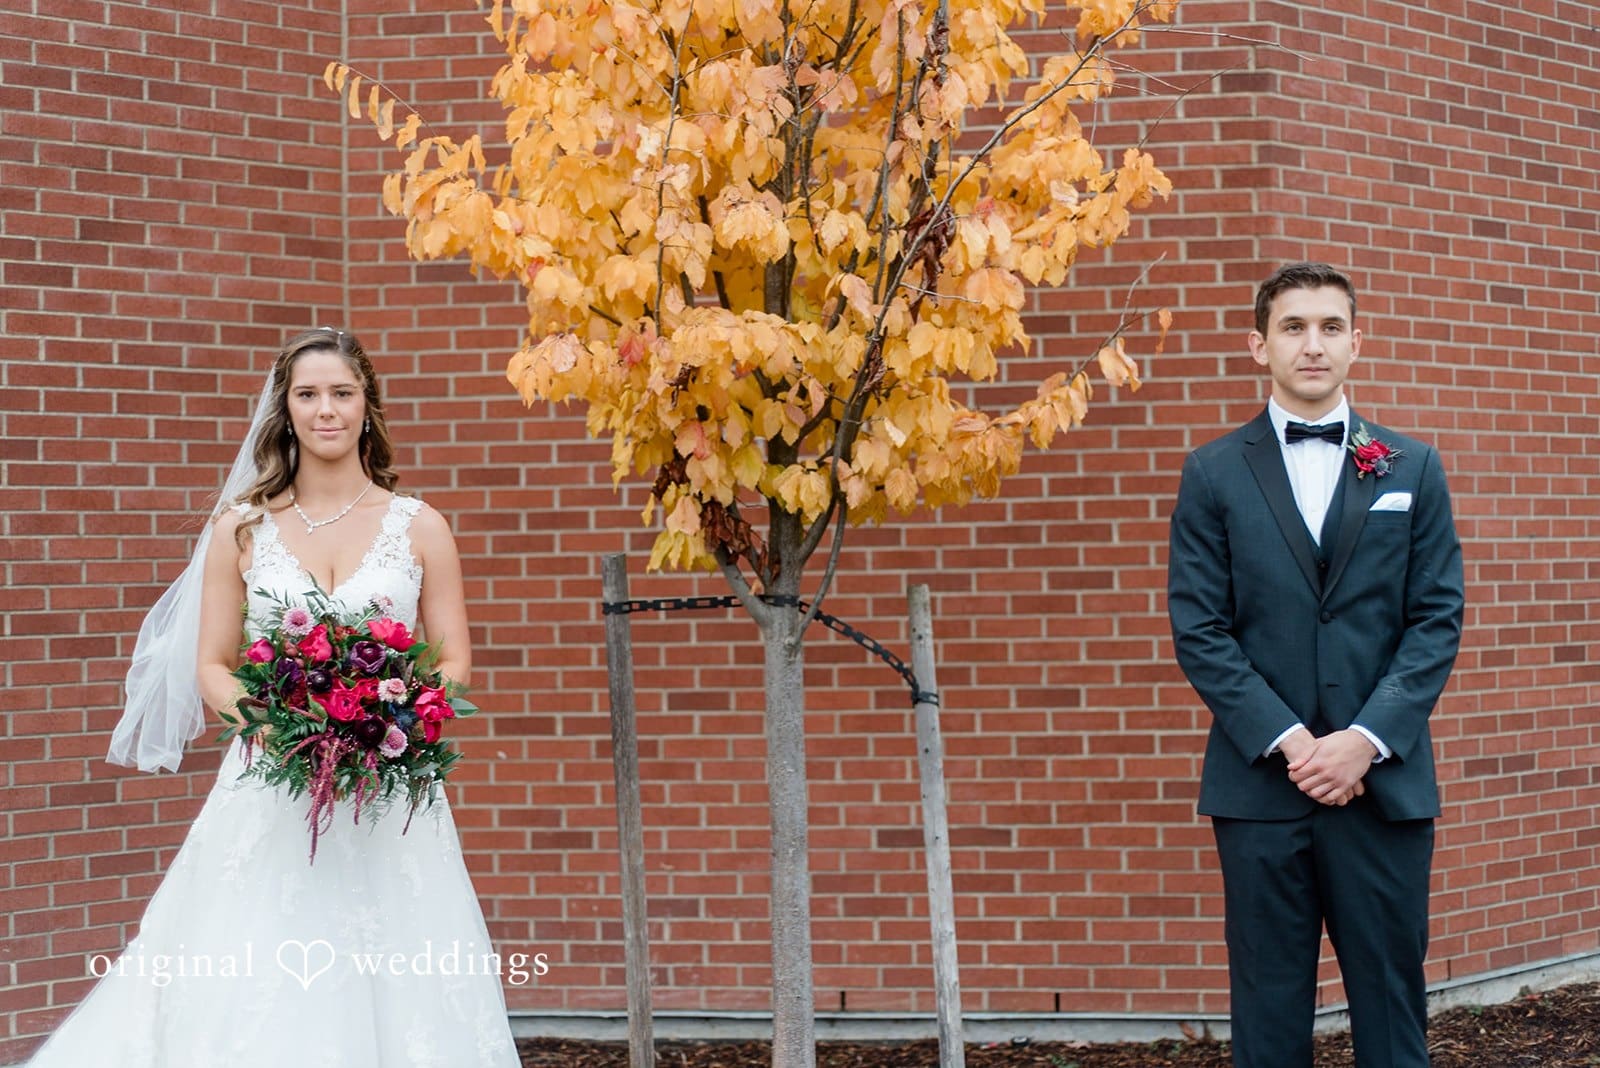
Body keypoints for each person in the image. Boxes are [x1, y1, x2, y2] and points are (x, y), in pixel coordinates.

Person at [26, 328, 521, 1067]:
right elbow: (212, 665)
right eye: (308, 394)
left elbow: (453, 661)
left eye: (342, 393)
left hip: (385, 787)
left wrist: (391, 718)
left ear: (367, 405)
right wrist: (280, 724)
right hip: (271, 781)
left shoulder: (421, 527)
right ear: (285, 409)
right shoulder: (242, 529)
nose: (327, 410)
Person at [1166, 263, 1465, 1068]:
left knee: (1393, 1018)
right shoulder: (1212, 473)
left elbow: (1436, 621)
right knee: (1267, 1018)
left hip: (1384, 789)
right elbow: (1200, 629)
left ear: (1356, 343)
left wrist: (1363, 740)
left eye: (1331, 327)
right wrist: (1298, 745)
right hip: (1263, 790)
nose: (1313, 345)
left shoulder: (1412, 467)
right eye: (1293, 327)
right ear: (1257, 345)